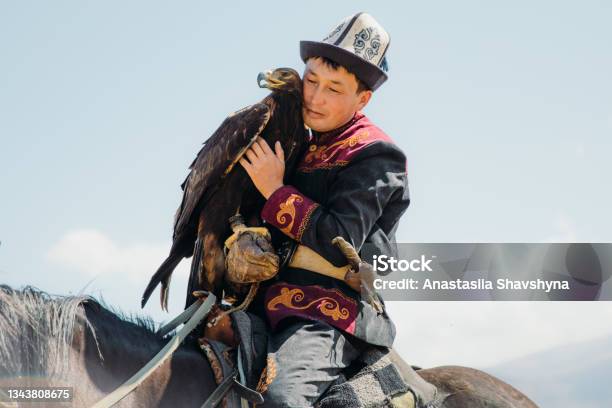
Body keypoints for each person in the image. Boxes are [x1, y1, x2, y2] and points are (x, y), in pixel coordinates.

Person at [238, 12, 410, 407]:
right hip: (262, 304)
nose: (315, 97)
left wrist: (275, 191)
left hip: (330, 315)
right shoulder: (296, 140)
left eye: (333, 88)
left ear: (362, 99)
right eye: (311, 80)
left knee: (281, 401)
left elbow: (341, 240)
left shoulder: (376, 154)